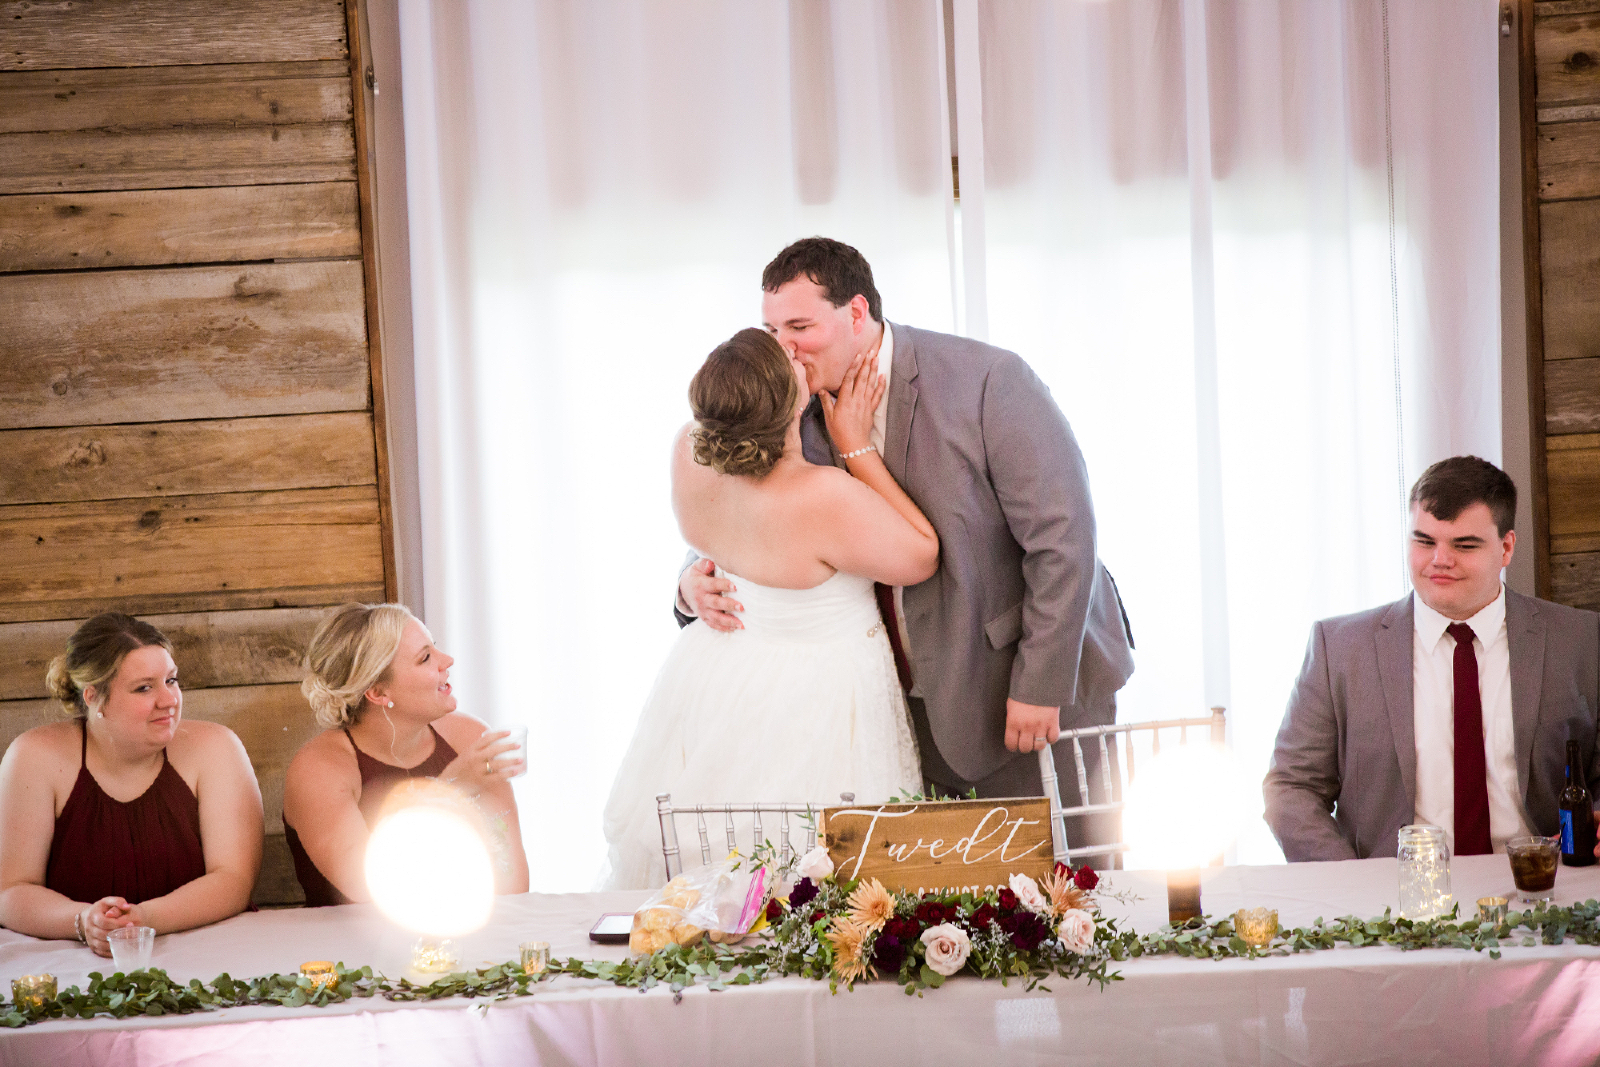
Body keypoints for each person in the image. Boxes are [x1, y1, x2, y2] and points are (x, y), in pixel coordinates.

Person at [678, 238, 1135, 823]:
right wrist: (690, 583)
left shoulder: (989, 380)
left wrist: (1040, 683)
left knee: (1068, 892)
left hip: (1019, 685)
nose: (784, 349)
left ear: (857, 312)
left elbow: (1064, 538)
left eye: (799, 325)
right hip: (896, 711)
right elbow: (735, 511)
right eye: (771, 331)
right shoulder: (786, 404)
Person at [601, 327, 937, 889]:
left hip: (719, 679)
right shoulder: (822, 496)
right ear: (796, 401)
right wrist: (855, 445)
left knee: (719, 863)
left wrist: (689, 584)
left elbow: (714, 544)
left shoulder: (689, 451)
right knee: (811, 880)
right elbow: (922, 554)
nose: (795, 349)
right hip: (820, 698)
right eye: (786, 357)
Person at [1264, 456, 1600, 861]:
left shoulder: (1582, 640)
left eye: (1464, 545)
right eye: (1424, 541)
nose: (1440, 560)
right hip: (1393, 902)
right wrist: (1349, 882)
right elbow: (1292, 788)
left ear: (1507, 547)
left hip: (1547, 889)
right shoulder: (1339, 649)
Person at [0, 613, 263, 957]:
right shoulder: (34, 756)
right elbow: (11, 889)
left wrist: (144, 920)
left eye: (171, 680)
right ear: (94, 697)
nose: (168, 700)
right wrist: (83, 921)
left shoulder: (217, 747)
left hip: (208, 951)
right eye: (144, 687)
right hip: (74, 963)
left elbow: (234, 879)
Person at [283, 603, 529, 904]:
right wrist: (449, 787)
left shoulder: (467, 737)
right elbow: (378, 892)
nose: (447, 660)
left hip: (468, 940)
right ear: (378, 692)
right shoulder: (319, 770)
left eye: (435, 648)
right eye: (425, 657)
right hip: (346, 949)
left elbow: (511, 885)